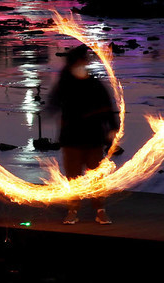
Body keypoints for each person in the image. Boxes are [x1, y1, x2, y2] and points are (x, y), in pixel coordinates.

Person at [47, 44, 119, 225]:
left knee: (96, 177)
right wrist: (49, 111)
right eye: (82, 61)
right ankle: (73, 211)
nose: (84, 63)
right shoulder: (65, 84)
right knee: (73, 178)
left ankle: (100, 210)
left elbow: (107, 107)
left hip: (93, 138)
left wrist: (112, 128)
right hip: (72, 139)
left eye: (84, 61)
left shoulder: (95, 84)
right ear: (75, 63)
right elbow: (53, 103)